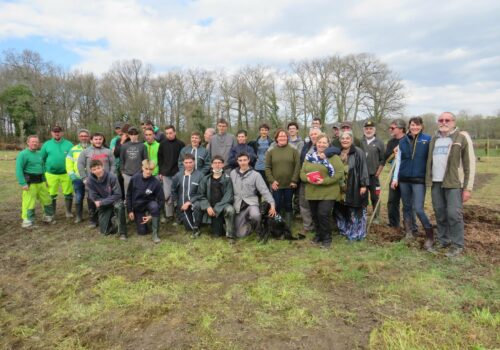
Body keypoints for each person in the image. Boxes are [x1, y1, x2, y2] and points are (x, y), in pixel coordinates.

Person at [426, 112, 475, 257]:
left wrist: (468, 188)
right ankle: (443, 240)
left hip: (453, 183)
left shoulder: (461, 137)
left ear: (453, 122)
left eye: (447, 120)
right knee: (440, 213)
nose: (444, 122)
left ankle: (457, 245)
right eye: (441, 120)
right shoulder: (434, 138)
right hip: (436, 182)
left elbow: (469, 165)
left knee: (454, 214)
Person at [391, 117, 433, 244]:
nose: (415, 127)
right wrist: (395, 178)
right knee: (407, 207)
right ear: (409, 126)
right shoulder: (403, 141)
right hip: (404, 179)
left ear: (422, 126)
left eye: (417, 125)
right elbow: (398, 161)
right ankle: (409, 231)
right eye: (412, 125)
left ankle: (429, 235)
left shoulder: (427, 139)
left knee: (419, 208)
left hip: (419, 179)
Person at [300, 134, 344, 248]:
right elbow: (302, 172)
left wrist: (324, 181)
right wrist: (307, 178)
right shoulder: (309, 156)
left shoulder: (333, 157)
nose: (321, 144)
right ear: (316, 143)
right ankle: (319, 235)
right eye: (319, 142)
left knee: (323, 214)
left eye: (324, 142)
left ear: (328, 144)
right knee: (315, 215)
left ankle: (326, 239)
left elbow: (339, 173)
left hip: (328, 191)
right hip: (312, 191)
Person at [230, 152, 276, 238]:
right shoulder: (233, 173)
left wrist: (272, 204)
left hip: (251, 203)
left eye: (245, 160)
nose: (243, 162)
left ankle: (258, 229)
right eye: (240, 160)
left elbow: (264, 191)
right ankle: (249, 225)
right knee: (240, 235)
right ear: (237, 161)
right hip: (238, 205)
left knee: (256, 215)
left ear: (249, 160)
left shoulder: (256, 175)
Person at [335, 130, 369, 241]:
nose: (345, 140)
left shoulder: (358, 152)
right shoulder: (337, 152)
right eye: (343, 138)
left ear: (351, 139)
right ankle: (345, 230)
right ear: (340, 140)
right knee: (341, 209)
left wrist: (363, 184)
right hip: (341, 188)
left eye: (347, 138)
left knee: (355, 211)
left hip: (354, 185)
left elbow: (363, 168)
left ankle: (357, 234)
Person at [77, 132, 115, 228]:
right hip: (91, 181)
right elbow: (80, 164)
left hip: (106, 181)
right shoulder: (85, 152)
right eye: (96, 139)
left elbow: (113, 164)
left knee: (107, 199)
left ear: (103, 140)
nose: (98, 141)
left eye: (100, 139)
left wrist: (111, 176)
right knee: (92, 199)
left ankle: (108, 217)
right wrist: (84, 178)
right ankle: (93, 220)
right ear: (91, 140)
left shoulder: (108, 151)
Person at [16, 135, 54, 228]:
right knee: (29, 202)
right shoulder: (23, 154)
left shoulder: (40, 154)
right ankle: (27, 221)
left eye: (36, 142)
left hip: (41, 181)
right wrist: (23, 183)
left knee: (47, 199)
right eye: (32, 141)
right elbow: (18, 169)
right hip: (30, 182)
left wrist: (45, 180)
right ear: (28, 142)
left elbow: (42, 168)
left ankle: (47, 217)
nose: (35, 143)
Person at [265, 129, 300, 230]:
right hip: (277, 184)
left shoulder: (293, 150)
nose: (282, 138)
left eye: (284, 136)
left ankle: (288, 226)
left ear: (287, 137)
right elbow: (267, 167)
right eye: (280, 136)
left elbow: (298, 165)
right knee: (277, 205)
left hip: (290, 184)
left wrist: (294, 180)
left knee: (288, 204)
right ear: (276, 138)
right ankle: (278, 225)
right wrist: (272, 181)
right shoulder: (271, 151)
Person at [126, 159, 165, 243]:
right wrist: (130, 210)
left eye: (150, 169)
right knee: (142, 232)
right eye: (146, 169)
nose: (148, 171)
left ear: (153, 170)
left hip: (149, 204)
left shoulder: (156, 182)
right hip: (138, 207)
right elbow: (129, 195)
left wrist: (151, 215)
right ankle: (145, 221)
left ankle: (155, 234)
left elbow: (161, 200)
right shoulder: (134, 178)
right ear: (142, 168)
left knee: (154, 206)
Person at [86, 159, 127, 239]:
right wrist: (102, 202)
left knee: (119, 206)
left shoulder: (112, 177)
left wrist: (102, 202)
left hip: (114, 201)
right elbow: (93, 196)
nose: (97, 171)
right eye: (94, 169)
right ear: (91, 171)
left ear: (103, 167)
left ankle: (123, 233)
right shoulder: (90, 180)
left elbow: (118, 194)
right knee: (105, 231)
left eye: (98, 168)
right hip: (103, 204)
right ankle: (114, 221)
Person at [197, 155, 236, 238]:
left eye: (219, 163)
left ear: (222, 165)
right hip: (210, 207)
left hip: (222, 206)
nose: (217, 165)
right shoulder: (206, 179)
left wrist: (217, 208)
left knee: (230, 210)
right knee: (216, 234)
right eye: (215, 163)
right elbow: (200, 195)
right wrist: (207, 206)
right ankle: (197, 228)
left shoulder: (228, 179)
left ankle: (230, 234)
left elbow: (229, 196)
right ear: (212, 165)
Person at [40, 125, 74, 217]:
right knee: (51, 194)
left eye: (58, 131)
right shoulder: (46, 144)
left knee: (68, 193)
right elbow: (41, 159)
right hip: (51, 174)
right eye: (55, 132)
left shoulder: (69, 144)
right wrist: (43, 171)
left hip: (66, 173)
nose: (57, 133)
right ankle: (52, 213)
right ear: (51, 133)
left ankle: (68, 212)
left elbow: (73, 158)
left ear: (62, 132)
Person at [157, 125, 185, 223]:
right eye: (167, 133)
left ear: (175, 132)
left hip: (178, 174)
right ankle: (169, 215)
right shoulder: (162, 144)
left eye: (170, 133)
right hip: (166, 174)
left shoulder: (181, 144)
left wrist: (182, 172)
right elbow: (159, 158)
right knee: (167, 195)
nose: (169, 135)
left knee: (178, 195)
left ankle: (179, 215)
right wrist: (160, 171)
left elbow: (184, 160)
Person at [171, 154, 204, 237]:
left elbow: (202, 193)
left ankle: (196, 226)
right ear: (183, 163)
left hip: (195, 202)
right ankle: (194, 227)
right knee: (188, 228)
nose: (188, 164)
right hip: (182, 204)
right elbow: (173, 189)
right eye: (186, 162)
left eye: (190, 162)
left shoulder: (200, 175)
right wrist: (176, 203)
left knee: (197, 206)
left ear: (194, 162)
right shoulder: (178, 175)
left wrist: (190, 202)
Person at [360, 120, 385, 223]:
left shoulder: (379, 142)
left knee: (375, 197)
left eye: (371, 129)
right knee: (363, 197)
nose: (368, 130)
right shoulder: (360, 142)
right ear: (364, 130)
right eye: (366, 129)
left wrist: (378, 172)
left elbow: (383, 159)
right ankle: (363, 216)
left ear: (374, 130)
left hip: (374, 175)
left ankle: (376, 216)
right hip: (362, 176)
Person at [66, 129, 90, 223]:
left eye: (85, 136)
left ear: (88, 137)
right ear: (79, 137)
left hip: (91, 178)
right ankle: (79, 216)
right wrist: (72, 176)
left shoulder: (93, 148)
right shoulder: (73, 149)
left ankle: (92, 215)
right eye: (82, 136)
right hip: (78, 178)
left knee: (91, 197)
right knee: (79, 197)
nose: (84, 137)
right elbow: (68, 163)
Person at [119, 126, 148, 197]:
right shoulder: (124, 146)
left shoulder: (142, 146)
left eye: (135, 134)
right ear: (128, 135)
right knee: (128, 194)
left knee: (140, 193)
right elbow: (121, 159)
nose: (133, 136)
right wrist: (122, 172)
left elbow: (145, 160)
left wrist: (144, 172)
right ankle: (128, 207)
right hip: (127, 174)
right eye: (131, 134)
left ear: (138, 135)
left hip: (139, 174)